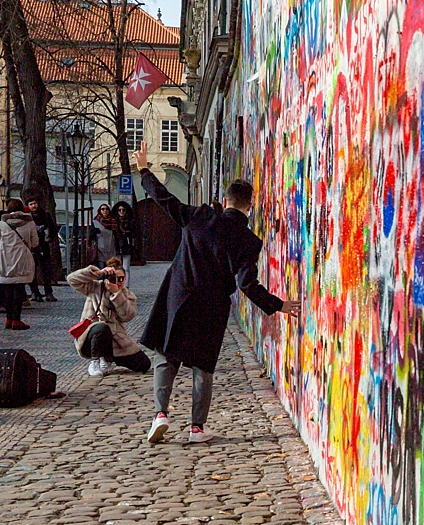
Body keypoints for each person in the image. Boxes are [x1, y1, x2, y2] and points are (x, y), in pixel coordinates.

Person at [132, 141, 283, 443]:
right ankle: (196, 428)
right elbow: (246, 284)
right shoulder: (248, 240)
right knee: (203, 365)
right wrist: (277, 305)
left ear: (224, 201)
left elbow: (165, 199)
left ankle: (161, 413)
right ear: (249, 206)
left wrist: (145, 170)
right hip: (212, 307)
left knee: (166, 355)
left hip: (180, 295)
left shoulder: (200, 216)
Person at [67, 256, 150, 374]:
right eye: (113, 278)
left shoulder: (127, 295)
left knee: (144, 364)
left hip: (115, 342)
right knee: (102, 327)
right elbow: (72, 279)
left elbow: (127, 316)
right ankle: (95, 361)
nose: (117, 282)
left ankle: (108, 359)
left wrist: (116, 293)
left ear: (125, 278)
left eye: (121, 279)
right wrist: (97, 273)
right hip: (92, 338)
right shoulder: (95, 287)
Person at [0, 199, 39, 329]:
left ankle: (8, 319)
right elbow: (35, 242)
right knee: (19, 290)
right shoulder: (29, 222)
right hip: (22, 260)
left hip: (6, 260)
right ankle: (17, 319)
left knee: (8, 291)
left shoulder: (2, 224)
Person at [26, 198, 57, 301]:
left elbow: (52, 228)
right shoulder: (27, 217)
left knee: (46, 270)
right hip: (32, 247)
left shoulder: (45, 215)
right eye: (31, 204)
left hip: (44, 246)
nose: (33, 206)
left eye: (34, 203)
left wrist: (49, 238)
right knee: (32, 271)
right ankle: (35, 292)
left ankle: (48, 292)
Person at [112, 199, 134, 278]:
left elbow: (134, 235)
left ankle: (126, 287)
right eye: (119, 210)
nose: (121, 211)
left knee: (126, 268)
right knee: (117, 268)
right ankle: (118, 287)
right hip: (116, 246)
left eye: (123, 210)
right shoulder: (114, 222)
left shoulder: (130, 222)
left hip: (126, 246)